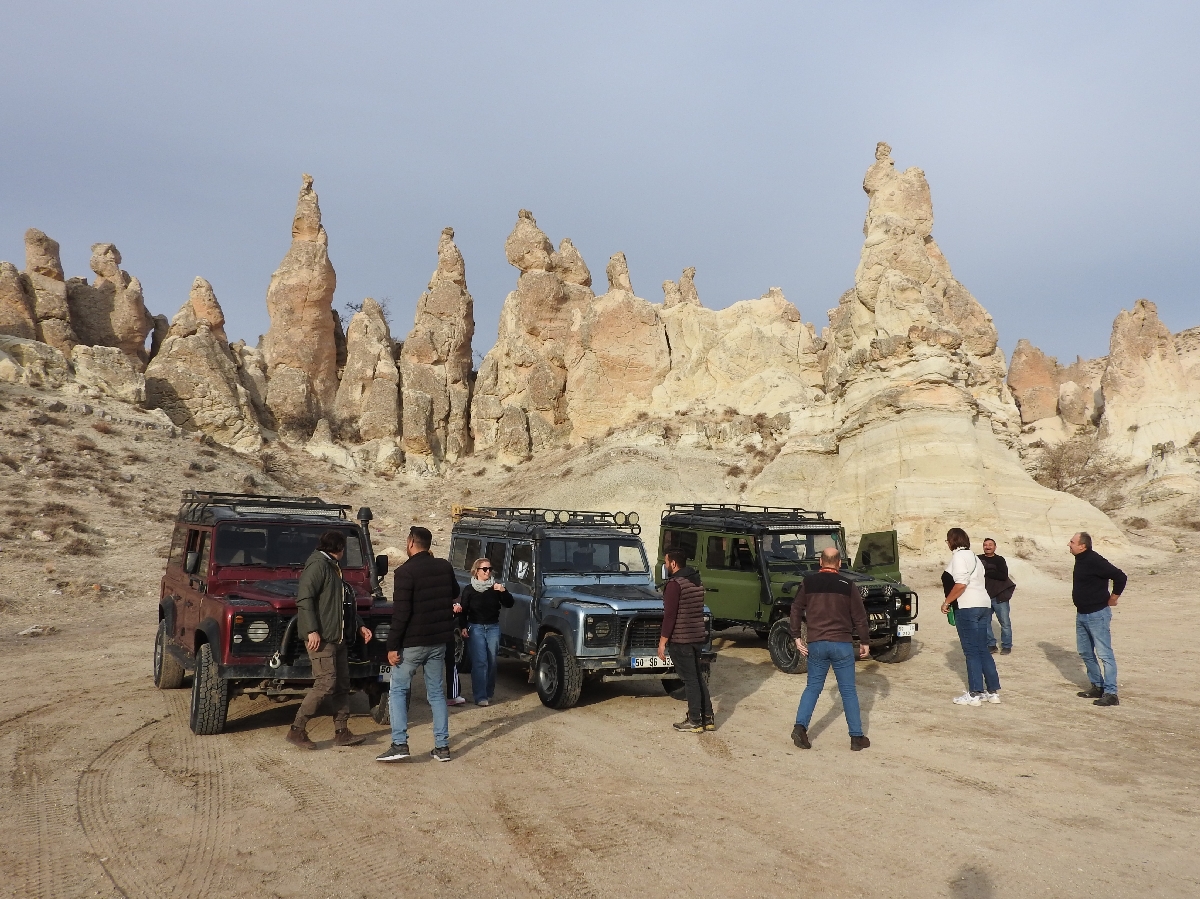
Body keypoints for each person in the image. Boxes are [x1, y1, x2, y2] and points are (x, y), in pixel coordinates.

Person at [376, 526, 458, 763]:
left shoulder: (404, 572)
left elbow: (401, 614)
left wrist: (392, 646)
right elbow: (454, 591)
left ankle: (399, 743)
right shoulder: (444, 566)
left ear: (411, 543)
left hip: (412, 643)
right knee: (436, 694)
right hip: (438, 641)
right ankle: (442, 747)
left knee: (398, 690)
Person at [287, 530, 373, 750]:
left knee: (342, 684)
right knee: (325, 682)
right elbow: (304, 599)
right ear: (340, 548)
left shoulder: (332, 567)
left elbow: (343, 603)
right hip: (323, 637)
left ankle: (342, 731)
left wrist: (360, 624)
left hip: (337, 635)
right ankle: (297, 729)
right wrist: (311, 631)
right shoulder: (318, 566)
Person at [789, 547, 872, 751]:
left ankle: (800, 727)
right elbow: (859, 616)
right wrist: (865, 641)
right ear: (839, 563)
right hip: (842, 644)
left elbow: (795, 608)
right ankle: (856, 737)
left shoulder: (808, 582)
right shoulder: (848, 584)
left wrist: (796, 636)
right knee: (848, 691)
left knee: (813, 687)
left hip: (816, 643)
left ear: (820, 562)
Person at [941, 528, 1001, 707]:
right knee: (982, 648)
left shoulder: (959, 557)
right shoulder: (975, 557)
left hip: (968, 607)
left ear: (952, 541)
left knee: (971, 650)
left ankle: (975, 694)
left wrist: (947, 602)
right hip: (983, 604)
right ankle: (992, 692)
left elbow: (961, 583)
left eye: (947, 540)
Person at [657, 549, 714, 732]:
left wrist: (662, 642)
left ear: (673, 564)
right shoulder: (696, 581)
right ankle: (707, 717)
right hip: (697, 637)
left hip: (681, 639)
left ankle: (695, 720)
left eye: (666, 562)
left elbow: (670, 616)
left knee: (690, 680)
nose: (665, 566)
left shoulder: (675, 584)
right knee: (697, 678)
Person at [1069, 532, 1127, 707]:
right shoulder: (1080, 560)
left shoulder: (1095, 560)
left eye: (1072, 542)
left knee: (1104, 654)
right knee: (1085, 652)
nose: (1068, 544)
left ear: (1082, 546)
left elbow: (1120, 576)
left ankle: (1111, 693)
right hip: (1082, 614)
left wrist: (1114, 598)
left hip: (1097, 615)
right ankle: (1097, 686)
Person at [459, 557, 514, 707]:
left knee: (492, 662)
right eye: (484, 569)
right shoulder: (469, 589)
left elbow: (509, 603)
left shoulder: (495, 588)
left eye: (490, 569)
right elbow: (463, 610)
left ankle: (489, 692)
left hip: (493, 628)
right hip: (475, 627)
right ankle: (480, 696)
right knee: (480, 662)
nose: (488, 572)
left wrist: (503, 591)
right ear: (476, 571)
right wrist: (463, 626)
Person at [979, 538, 1016, 654]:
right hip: (984, 596)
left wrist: (987, 572)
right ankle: (991, 644)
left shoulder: (999, 560)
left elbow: (1003, 575)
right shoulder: (978, 559)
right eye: (985, 545)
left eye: (990, 545)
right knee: (985, 622)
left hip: (999, 596)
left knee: (1005, 623)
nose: (988, 547)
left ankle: (1007, 645)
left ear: (995, 547)